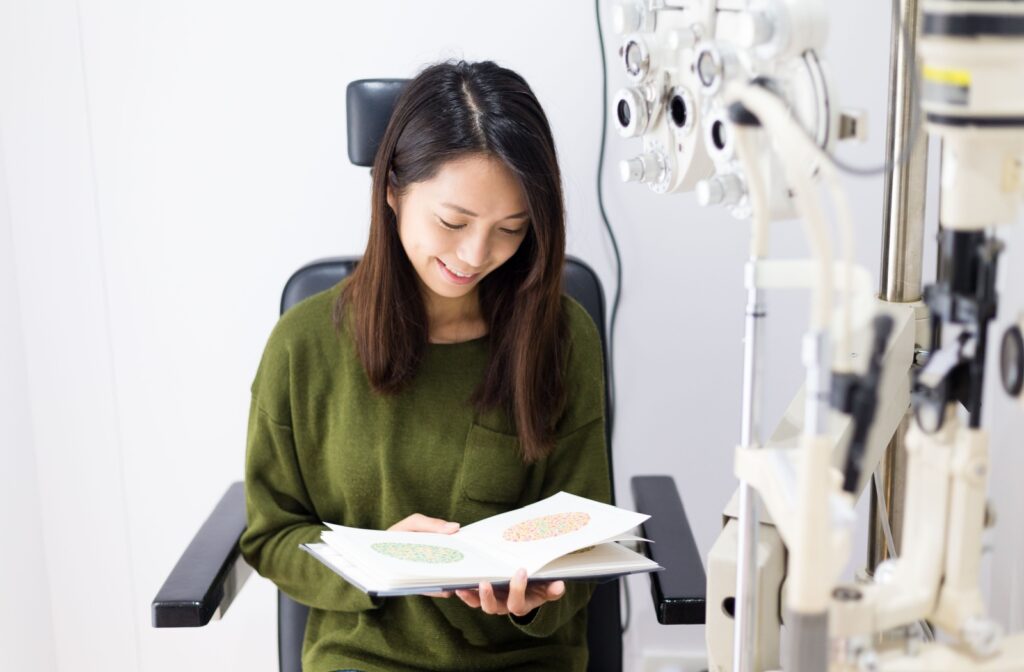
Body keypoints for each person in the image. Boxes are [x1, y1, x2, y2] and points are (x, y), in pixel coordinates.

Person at [240, 60, 610, 672]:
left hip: (523, 659)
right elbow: (271, 536)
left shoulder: (561, 337)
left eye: (511, 229)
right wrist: (378, 562)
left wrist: (536, 599)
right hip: (365, 657)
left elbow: (585, 540)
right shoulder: (302, 347)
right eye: (452, 222)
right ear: (392, 189)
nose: (475, 255)